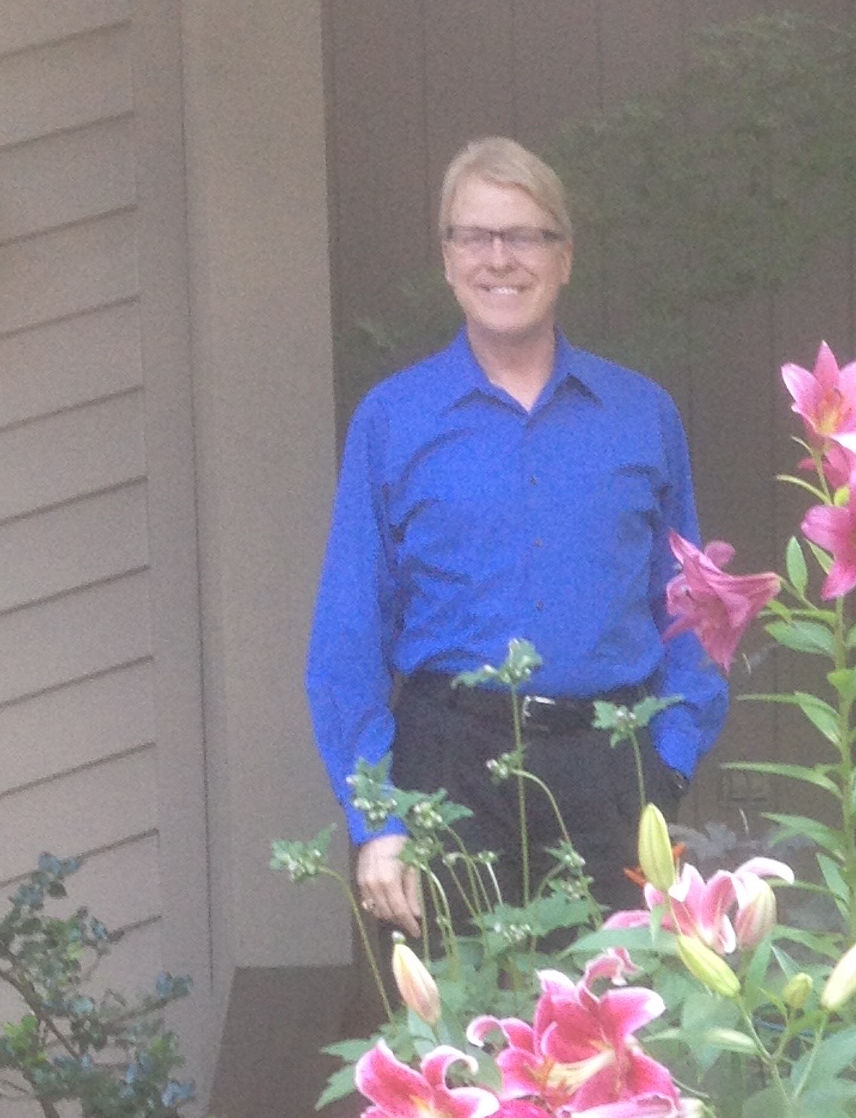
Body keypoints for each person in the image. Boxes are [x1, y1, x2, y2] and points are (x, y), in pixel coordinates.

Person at [306, 137, 727, 935]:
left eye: (525, 235)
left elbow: (693, 613)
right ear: (448, 258)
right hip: (446, 773)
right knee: (457, 1048)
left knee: (614, 1041)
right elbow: (349, 634)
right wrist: (377, 819)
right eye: (475, 236)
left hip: (612, 775)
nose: (500, 259)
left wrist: (665, 766)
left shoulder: (642, 416)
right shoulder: (394, 420)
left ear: (564, 257)